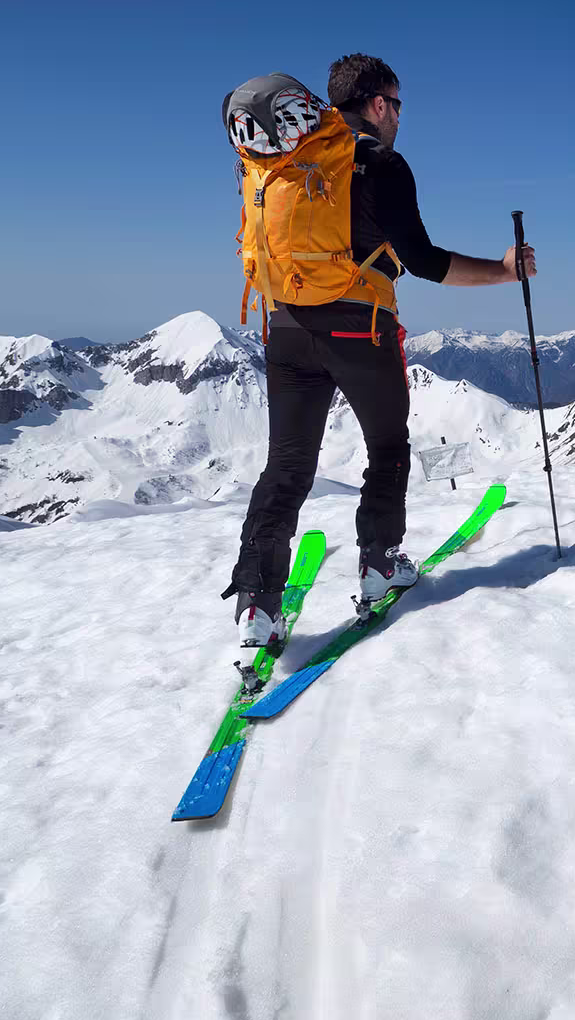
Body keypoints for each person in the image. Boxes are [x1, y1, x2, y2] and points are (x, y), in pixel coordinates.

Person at [224, 53, 537, 647]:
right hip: (358, 328)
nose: (399, 117)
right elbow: (423, 262)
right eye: (397, 106)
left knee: (287, 467)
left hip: (286, 327)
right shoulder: (377, 163)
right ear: (376, 104)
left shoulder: (278, 160)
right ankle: (379, 564)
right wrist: (502, 271)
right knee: (388, 444)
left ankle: (257, 604)